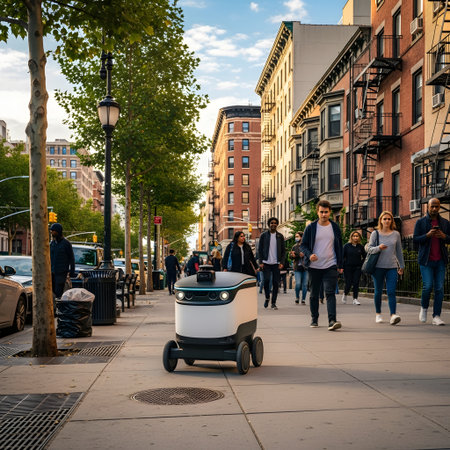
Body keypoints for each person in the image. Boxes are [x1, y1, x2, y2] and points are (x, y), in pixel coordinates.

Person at [300, 200, 343, 331]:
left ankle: (332, 320)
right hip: (314, 266)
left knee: (330, 293)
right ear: (317, 212)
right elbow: (303, 245)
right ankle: (314, 318)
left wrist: (340, 264)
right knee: (314, 294)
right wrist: (309, 254)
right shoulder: (311, 227)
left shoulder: (335, 227)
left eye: (326, 212)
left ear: (329, 212)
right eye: (321, 212)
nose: (324, 214)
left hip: (330, 264)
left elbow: (339, 247)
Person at [413, 198, 450, 326]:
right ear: (427, 207)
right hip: (426, 260)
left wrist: (444, 237)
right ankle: (424, 308)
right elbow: (415, 240)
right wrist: (427, 235)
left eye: (437, 206)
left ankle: (436, 316)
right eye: (432, 206)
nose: (434, 209)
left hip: (440, 260)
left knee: (439, 288)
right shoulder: (420, 222)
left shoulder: (445, 222)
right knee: (428, 286)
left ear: (439, 207)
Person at [367, 210, 404, 325]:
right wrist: (379, 248)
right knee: (378, 291)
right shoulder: (375, 234)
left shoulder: (396, 234)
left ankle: (393, 315)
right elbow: (369, 248)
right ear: (381, 221)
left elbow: (399, 251)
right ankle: (378, 314)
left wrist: (401, 265)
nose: (387, 221)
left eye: (389, 219)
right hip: (377, 267)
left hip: (392, 267)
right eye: (385, 219)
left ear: (392, 221)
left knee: (391, 291)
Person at [258, 217, 286, 310]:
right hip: (266, 263)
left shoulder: (280, 236)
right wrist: (261, 261)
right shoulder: (263, 235)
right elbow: (260, 250)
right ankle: (267, 297)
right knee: (266, 281)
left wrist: (282, 262)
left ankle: (273, 302)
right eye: (271, 223)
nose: (273, 224)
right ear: (269, 224)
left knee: (275, 283)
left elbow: (283, 251)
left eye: (275, 223)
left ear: (277, 225)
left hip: (276, 263)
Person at [50, 223, 75, 299]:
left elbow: (71, 258)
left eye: (53, 231)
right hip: (52, 272)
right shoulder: (52, 244)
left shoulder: (66, 244)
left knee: (58, 292)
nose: (52, 233)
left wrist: (72, 271)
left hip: (61, 272)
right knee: (53, 290)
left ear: (58, 231)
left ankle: (58, 308)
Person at [342, 231, 366, 305]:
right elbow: (342, 257)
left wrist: (361, 264)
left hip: (357, 268)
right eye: (354, 236)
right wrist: (341, 267)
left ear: (359, 237)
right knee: (348, 283)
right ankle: (345, 294)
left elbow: (365, 257)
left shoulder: (361, 247)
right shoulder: (346, 246)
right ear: (351, 237)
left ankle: (355, 299)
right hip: (347, 267)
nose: (355, 237)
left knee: (356, 283)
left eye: (357, 236)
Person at [290, 231, 308, 304]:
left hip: (305, 268)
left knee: (305, 284)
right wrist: (293, 256)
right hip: (297, 267)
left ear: (301, 237)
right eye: (295, 237)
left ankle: (303, 299)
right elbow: (291, 256)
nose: (296, 238)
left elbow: (310, 255)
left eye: (297, 236)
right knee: (298, 284)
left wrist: (304, 255)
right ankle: (297, 297)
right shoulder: (294, 246)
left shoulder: (307, 246)